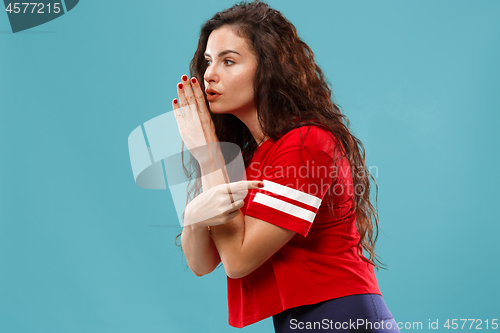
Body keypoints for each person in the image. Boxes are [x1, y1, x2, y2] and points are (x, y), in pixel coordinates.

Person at [172, 1, 400, 332]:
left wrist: (209, 155)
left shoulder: (308, 144)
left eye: (228, 61)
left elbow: (237, 260)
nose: (209, 74)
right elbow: (202, 262)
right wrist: (193, 218)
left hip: (343, 316)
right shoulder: (254, 159)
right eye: (208, 61)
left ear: (268, 68)